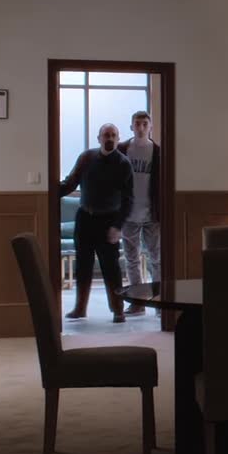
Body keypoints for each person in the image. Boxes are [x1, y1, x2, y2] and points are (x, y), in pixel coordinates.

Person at [57, 122, 134, 323]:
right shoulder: (86, 158)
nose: (110, 138)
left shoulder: (123, 164)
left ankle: (118, 310)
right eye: (106, 135)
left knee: (111, 268)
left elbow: (128, 200)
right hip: (85, 218)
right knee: (83, 265)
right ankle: (80, 308)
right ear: (99, 138)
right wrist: (47, 193)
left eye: (113, 135)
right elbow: (70, 183)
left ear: (118, 139)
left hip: (109, 220)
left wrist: (118, 226)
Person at [119, 109, 162, 314]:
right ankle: (138, 302)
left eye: (145, 124)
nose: (141, 127)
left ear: (150, 127)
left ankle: (160, 300)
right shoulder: (123, 149)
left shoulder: (158, 152)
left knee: (157, 259)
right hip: (129, 214)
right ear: (131, 126)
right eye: (137, 123)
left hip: (152, 214)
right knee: (132, 259)